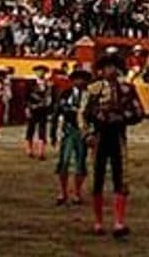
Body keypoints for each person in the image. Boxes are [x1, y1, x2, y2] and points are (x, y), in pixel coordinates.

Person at [81, 52, 145, 237]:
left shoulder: (127, 89)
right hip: (99, 137)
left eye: (113, 66)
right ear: (101, 70)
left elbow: (139, 112)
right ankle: (98, 222)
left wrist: (122, 117)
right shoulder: (93, 89)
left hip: (118, 135)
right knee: (97, 179)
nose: (111, 70)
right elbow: (83, 114)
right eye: (107, 66)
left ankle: (119, 222)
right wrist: (87, 135)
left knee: (121, 178)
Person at [51, 69, 92, 206]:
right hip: (68, 129)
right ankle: (63, 192)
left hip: (83, 131)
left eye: (83, 79)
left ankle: (77, 192)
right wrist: (53, 132)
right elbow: (57, 112)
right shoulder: (66, 93)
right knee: (64, 161)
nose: (80, 81)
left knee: (80, 161)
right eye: (77, 79)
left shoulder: (91, 95)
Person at [24, 65, 54, 159]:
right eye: (38, 71)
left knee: (42, 130)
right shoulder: (30, 84)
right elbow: (26, 97)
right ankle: (29, 150)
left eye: (42, 71)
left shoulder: (49, 85)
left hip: (43, 110)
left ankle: (41, 152)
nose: (40, 73)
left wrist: (50, 110)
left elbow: (52, 98)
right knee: (30, 129)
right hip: (32, 108)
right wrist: (27, 108)